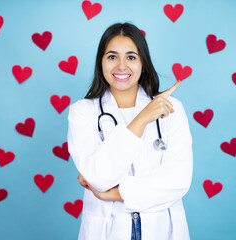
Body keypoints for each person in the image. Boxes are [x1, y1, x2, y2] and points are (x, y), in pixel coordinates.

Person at [67, 22, 193, 240]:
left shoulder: (172, 108)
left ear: (143, 63)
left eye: (131, 57)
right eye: (112, 56)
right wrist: (142, 118)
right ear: (101, 63)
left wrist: (114, 194)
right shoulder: (82, 112)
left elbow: (179, 180)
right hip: (108, 230)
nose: (121, 66)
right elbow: (98, 177)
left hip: (161, 229)